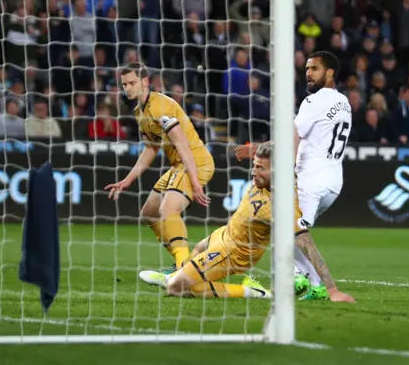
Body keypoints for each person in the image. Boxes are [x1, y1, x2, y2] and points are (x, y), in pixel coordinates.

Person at [139, 143, 355, 303]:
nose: (254, 172)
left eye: (260, 168)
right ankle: (178, 274)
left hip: (234, 252)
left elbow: (307, 244)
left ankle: (254, 292)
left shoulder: (282, 205)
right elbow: (273, 147)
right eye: (254, 165)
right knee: (197, 248)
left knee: (177, 289)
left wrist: (333, 290)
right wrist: (253, 151)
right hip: (226, 233)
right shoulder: (265, 176)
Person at [235, 51, 354, 301]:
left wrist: (265, 158)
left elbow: (293, 138)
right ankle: (305, 278)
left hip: (310, 179)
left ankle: (313, 283)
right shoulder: (344, 102)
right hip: (333, 183)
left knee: (288, 232)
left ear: (330, 72)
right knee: (290, 231)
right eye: (307, 69)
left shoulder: (313, 102)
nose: (308, 73)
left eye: (315, 69)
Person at [105, 63, 214, 271]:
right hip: (178, 165)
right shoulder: (140, 111)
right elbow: (151, 149)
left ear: (145, 82)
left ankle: (183, 269)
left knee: (168, 209)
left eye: (131, 83)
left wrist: (195, 183)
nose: (127, 88)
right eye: (124, 84)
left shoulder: (161, 107)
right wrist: (128, 180)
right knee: (150, 212)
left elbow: (183, 146)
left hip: (195, 161)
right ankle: (184, 260)